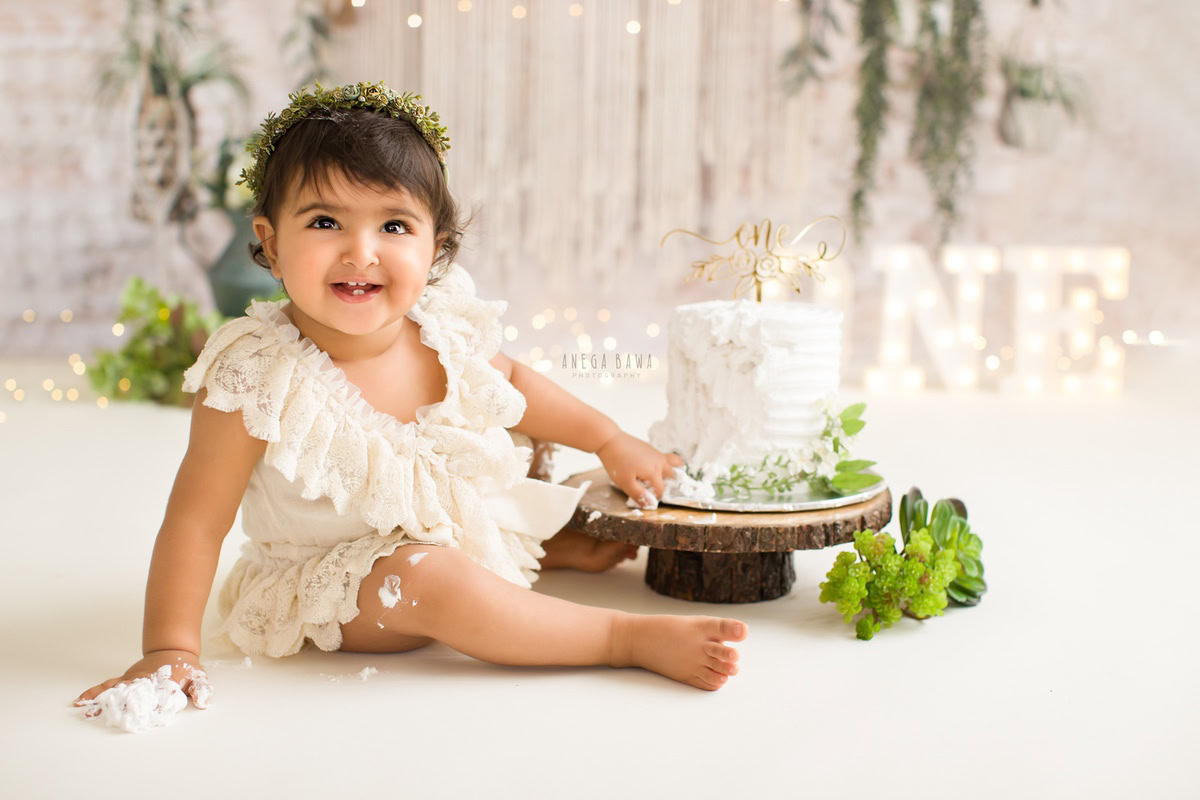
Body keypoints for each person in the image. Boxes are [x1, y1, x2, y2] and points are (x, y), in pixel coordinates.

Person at [75, 82, 746, 714]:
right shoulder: (257, 376)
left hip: (433, 532)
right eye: (325, 221)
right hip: (340, 586)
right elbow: (196, 521)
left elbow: (516, 387)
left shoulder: (442, 326)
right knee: (430, 580)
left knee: (540, 459)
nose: (360, 252)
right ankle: (619, 640)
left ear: (436, 248)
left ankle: (529, 544)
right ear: (272, 244)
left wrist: (608, 438)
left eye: (394, 226)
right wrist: (168, 648)